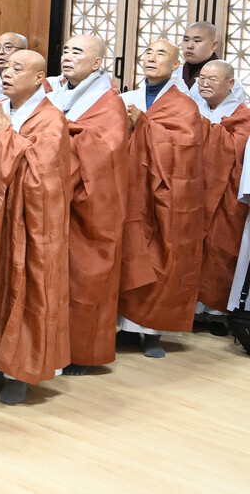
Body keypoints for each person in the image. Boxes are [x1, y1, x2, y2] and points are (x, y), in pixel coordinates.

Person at [0, 50, 71, 405]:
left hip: (31, 222)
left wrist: (4, 136)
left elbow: (42, 173)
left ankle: (19, 373)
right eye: (6, 67)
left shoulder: (51, 119)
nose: (8, 72)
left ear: (39, 78)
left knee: (25, 289)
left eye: (18, 68)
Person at [47, 35, 129, 375]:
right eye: (65, 50)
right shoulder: (54, 92)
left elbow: (104, 150)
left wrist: (62, 135)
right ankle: (50, 348)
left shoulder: (109, 103)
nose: (67, 56)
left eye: (77, 52)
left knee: (85, 277)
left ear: (98, 63)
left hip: (90, 204)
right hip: (52, 197)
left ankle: (83, 352)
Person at [118, 39, 204, 358]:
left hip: (164, 191)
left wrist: (143, 126)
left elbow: (185, 147)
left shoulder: (185, 105)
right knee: (130, 252)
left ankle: (153, 333)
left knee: (160, 255)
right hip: (130, 188)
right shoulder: (126, 97)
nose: (152, 58)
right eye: (148, 52)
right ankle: (126, 329)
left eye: (161, 54)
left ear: (176, 64)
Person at [194, 60, 250, 329]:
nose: (204, 84)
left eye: (212, 79)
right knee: (192, 247)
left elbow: (238, 147)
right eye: (202, 78)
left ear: (230, 84)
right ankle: (192, 309)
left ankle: (216, 313)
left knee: (221, 247)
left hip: (227, 192)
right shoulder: (191, 107)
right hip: (195, 188)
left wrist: (205, 129)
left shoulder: (243, 114)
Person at [173, 22, 245, 102]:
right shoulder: (173, 73)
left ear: (214, 45)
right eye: (186, 40)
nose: (189, 46)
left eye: (197, 41)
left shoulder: (228, 81)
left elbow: (237, 109)